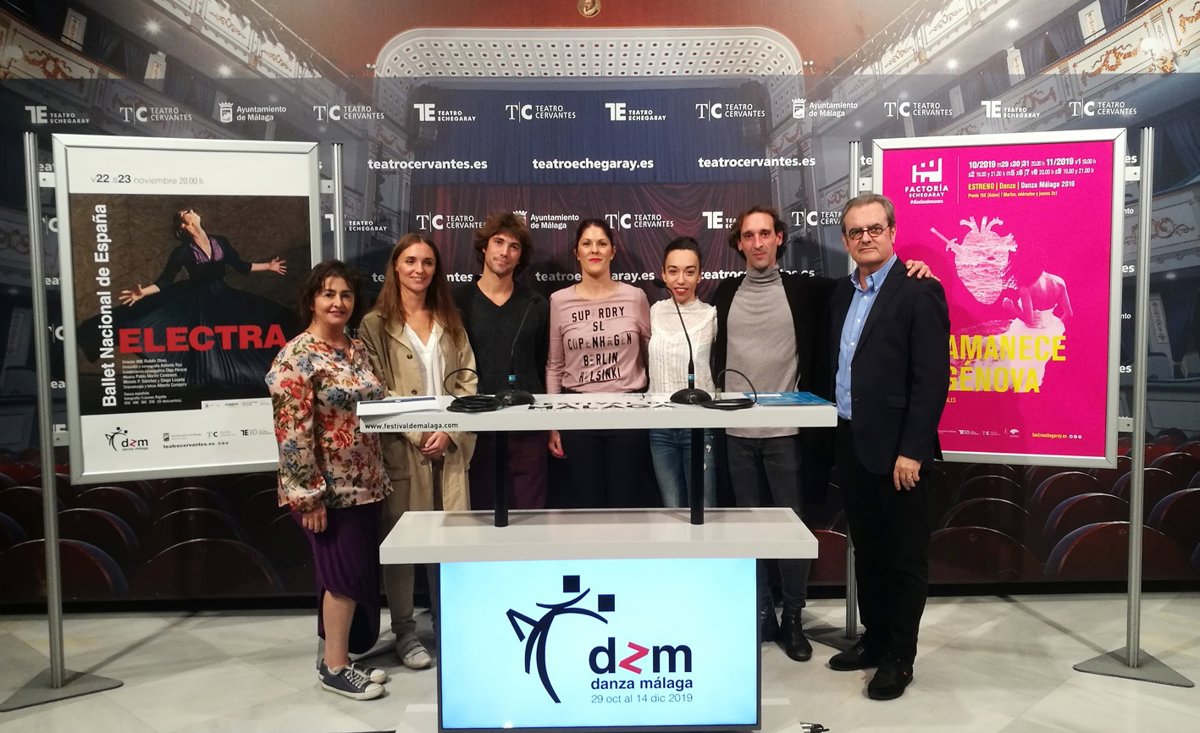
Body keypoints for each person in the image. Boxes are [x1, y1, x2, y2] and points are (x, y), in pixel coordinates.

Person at [712, 205, 930, 664]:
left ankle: (794, 618)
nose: (757, 242)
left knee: (793, 531)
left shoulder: (809, 290)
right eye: (748, 235)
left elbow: (927, 371)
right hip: (738, 434)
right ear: (738, 243)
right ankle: (763, 614)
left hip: (791, 433)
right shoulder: (725, 292)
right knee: (751, 530)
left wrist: (916, 268)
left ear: (779, 238)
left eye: (765, 233)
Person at [824, 193, 950, 701]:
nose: (866, 238)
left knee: (904, 559)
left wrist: (913, 450)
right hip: (852, 442)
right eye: (856, 231)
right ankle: (875, 641)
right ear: (844, 240)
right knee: (870, 553)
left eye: (875, 228)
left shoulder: (920, 290)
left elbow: (932, 380)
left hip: (901, 452)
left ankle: (900, 657)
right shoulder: (841, 293)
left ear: (892, 232)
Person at [266, 260, 390, 701]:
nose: (338, 302)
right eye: (328, 294)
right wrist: (309, 497)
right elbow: (291, 432)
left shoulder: (355, 349)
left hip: (367, 483)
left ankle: (341, 658)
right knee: (342, 576)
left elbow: (378, 403)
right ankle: (335, 667)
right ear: (312, 300)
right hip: (328, 492)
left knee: (354, 575)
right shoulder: (296, 356)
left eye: (346, 295)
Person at [360, 232, 477, 671]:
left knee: (451, 542)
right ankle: (405, 632)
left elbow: (468, 381)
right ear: (396, 266)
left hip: (449, 448)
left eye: (427, 262)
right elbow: (374, 387)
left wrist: (449, 431)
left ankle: (451, 623)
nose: (419, 269)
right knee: (404, 545)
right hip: (401, 449)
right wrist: (418, 431)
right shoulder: (375, 324)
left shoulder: (450, 319)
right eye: (410, 261)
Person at [85, 207, 293, 392]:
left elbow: (241, 265)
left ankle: (248, 377)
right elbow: (165, 281)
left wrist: (269, 266)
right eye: (187, 212)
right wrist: (142, 293)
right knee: (204, 342)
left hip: (222, 295)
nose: (192, 211)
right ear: (183, 225)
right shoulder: (182, 252)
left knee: (256, 325)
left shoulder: (220, 241)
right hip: (197, 300)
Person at [545, 218, 651, 508]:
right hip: (577, 417)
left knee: (626, 505)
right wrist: (553, 425)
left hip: (629, 415)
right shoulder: (559, 301)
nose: (595, 250)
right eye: (587, 243)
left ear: (612, 252)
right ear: (576, 252)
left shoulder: (635, 297)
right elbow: (555, 365)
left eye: (602, 243)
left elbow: (652, 353)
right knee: (587, 506)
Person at [453, 212, 550, 510]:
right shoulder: (457, 301)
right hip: (475, 427)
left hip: (527, 428)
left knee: (529, 516)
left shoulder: (535, 304)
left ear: (521, 256)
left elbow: (542, 360)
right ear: (484, 247)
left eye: (514, 246)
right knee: (480, 516)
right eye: (498, 242)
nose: (504, 252)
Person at [647, 236, 717, 507]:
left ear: (700, 275)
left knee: (704, 507)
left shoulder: (711, 316)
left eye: (689, 272)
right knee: (671, 507)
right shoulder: (653, 312)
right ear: (663, 275)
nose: (681, 280)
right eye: (673, 271)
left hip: (699, 424)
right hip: (659, 426)